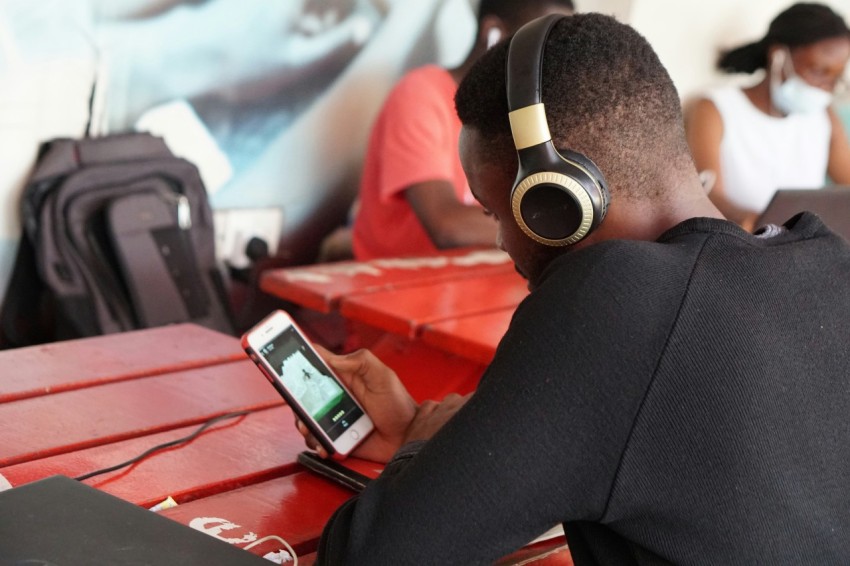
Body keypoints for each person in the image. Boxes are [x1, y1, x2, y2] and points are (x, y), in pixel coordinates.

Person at [295, 12, 850, 565]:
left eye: (495, 212)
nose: (502, 242)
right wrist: (441, 436)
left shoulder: (614, 299)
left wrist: (419, 448)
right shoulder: (826, 261)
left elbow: (368, 554)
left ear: (556, 199)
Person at [350, 0, 575, 260]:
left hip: (466, 284)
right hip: (393, 286)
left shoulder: (521, 114)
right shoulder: (421, 92)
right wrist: (558, 229)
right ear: (494, 33)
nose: (555, 60)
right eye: (542, 46)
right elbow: (448, 226)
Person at [686, 2, 850, 231]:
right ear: (778, 56)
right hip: (740, 243)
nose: (826, 87)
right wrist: (761, 226)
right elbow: (707, 194)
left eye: (836, 77)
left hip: (798, 248)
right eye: (818, 71)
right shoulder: (715, 108)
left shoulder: (823, 116)